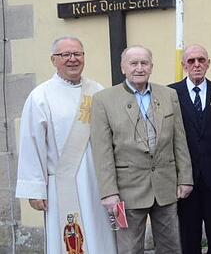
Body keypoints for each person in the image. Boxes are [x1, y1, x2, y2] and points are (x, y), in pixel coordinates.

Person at [15, 37, 116, 254]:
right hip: (60, 185)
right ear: (54, 60)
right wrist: (35, 190)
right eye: (65, 55)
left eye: (77, 54)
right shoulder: (40, 96)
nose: (72, 59)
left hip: (95, 182)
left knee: (100, 236)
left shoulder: (97, 91)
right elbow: (31, 143)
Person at [91, 45, 193, 253]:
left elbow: (179, 140)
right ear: (123, 68)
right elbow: (102, 152)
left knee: (171, 247)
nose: (139, 68)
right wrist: (109, 192)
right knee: (129, 249)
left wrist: (185, 178)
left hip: (165, 186)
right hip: (126, 191)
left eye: (144, 63)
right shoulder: (103, 100)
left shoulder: (168, 95)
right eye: (133, 63)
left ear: (151, 67)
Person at [168, 44, 211, 254]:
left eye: (201, 60)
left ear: (208, 63)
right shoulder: (170, 93)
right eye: (191, 61)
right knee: (188, 234)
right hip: (185, 179)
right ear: (183, 65)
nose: (196, 65)